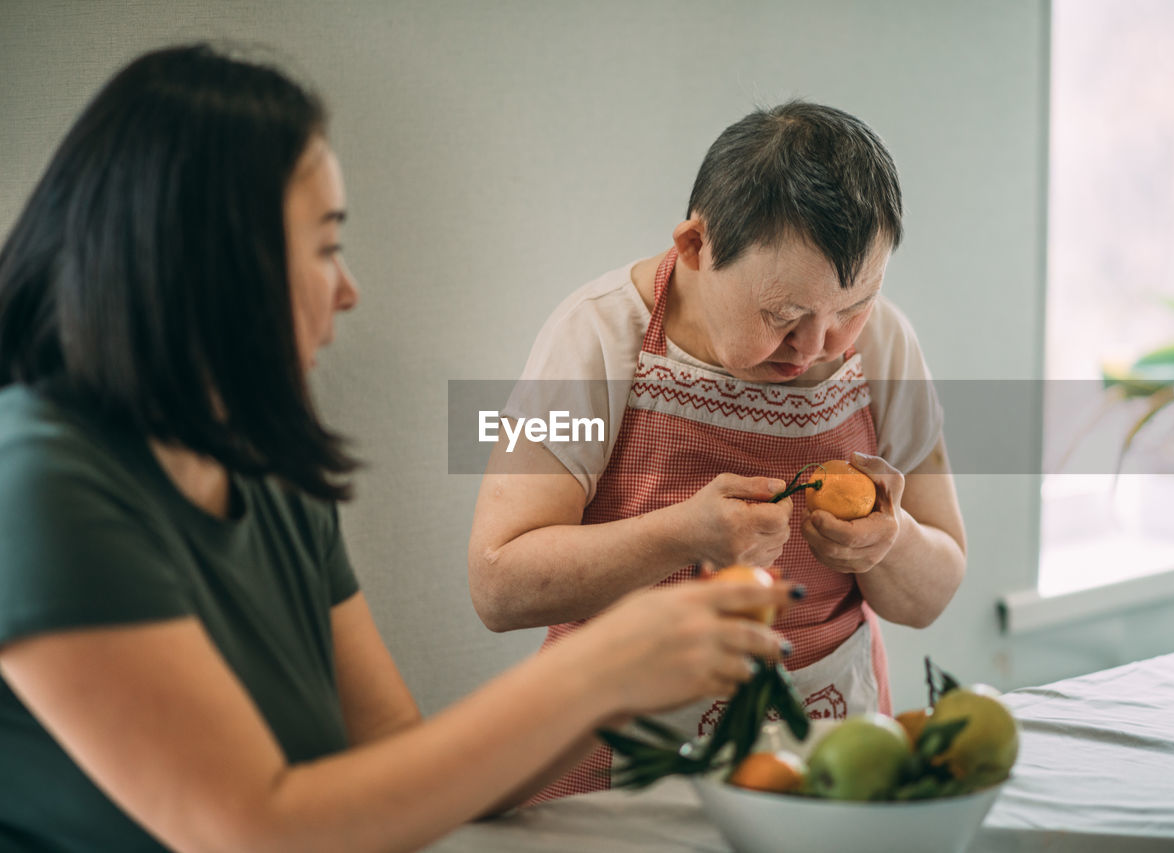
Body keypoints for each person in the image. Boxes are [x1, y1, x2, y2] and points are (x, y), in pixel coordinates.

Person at [0, 44, 797, 852]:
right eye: (324, 246)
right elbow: (253, 823)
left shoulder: (273, 478)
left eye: (850, 313)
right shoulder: (35, 482)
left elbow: (401, 763)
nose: (349, 290)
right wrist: (617, 636)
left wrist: (625, 681)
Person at [469, 101, 967, 800]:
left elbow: (935, 589)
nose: (821, 346)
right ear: (696, 246)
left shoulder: (885, 347)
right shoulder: (594, 340)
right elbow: (497, 583)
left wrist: (889, 541)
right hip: (624, 771)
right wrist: (684, 533)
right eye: (783, 316)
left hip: (830, 754)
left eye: (853, 308)